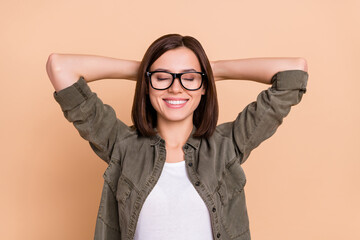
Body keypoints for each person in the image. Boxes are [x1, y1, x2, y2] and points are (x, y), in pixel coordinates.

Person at [46, 33, 309, 240]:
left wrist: (210, 68)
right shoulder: (121, 145)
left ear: (205, 85)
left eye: (189, 78)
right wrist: (146, 71)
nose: (175, 88)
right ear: (147, 84)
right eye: (162, 77)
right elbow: (60, 67)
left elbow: (293, 71)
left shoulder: (227, 146)